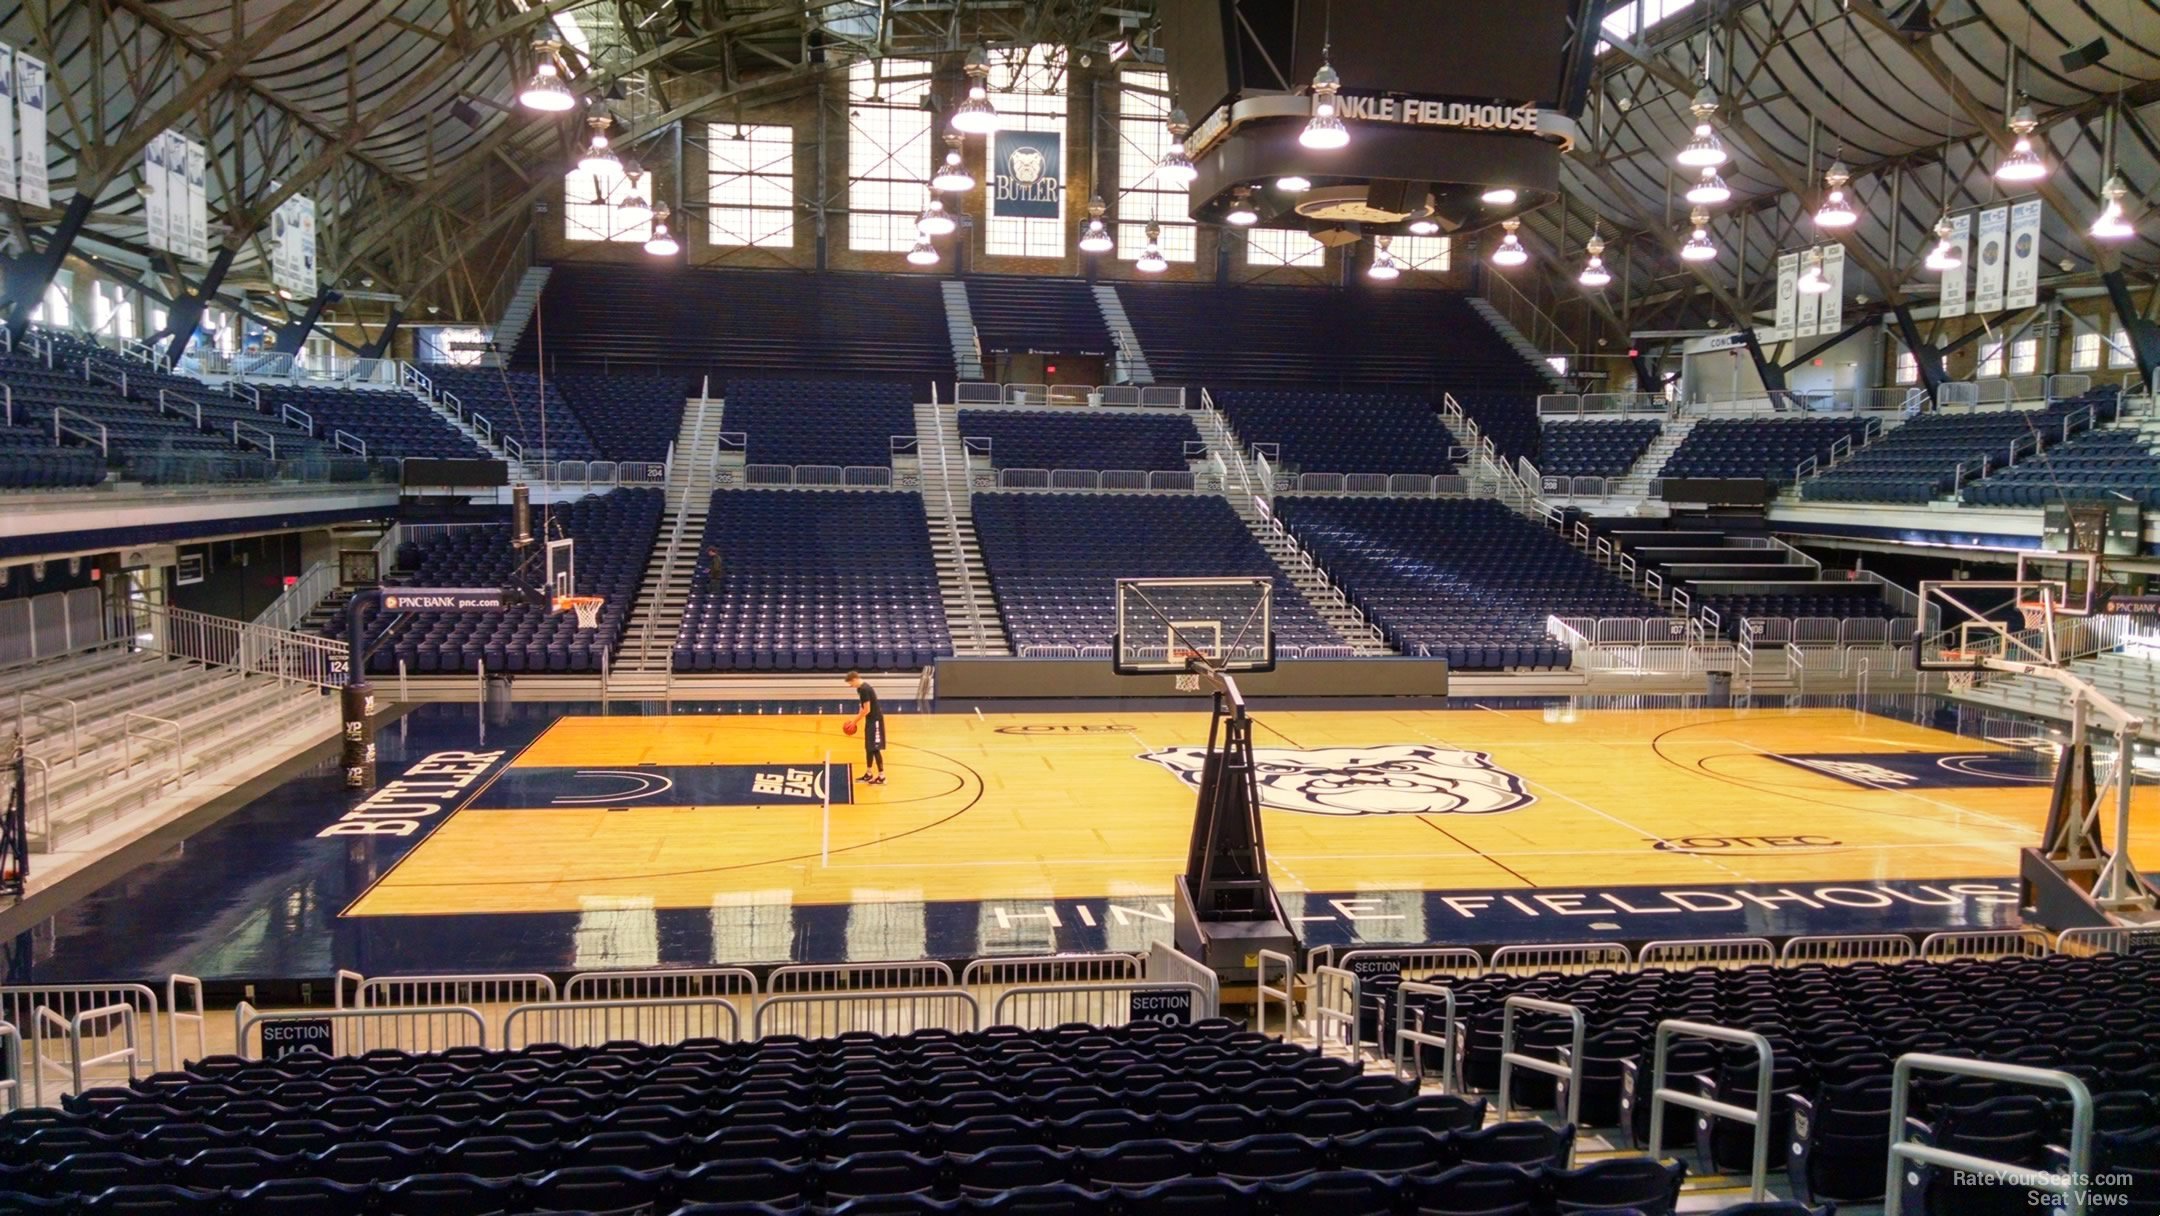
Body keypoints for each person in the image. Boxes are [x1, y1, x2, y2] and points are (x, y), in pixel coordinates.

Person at [845, 670, 886, 784]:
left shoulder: (864, 689)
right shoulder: (860, 689)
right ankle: (868, 774)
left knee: (875, 748)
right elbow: (862, 707)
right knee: (868, 748)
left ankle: (882, 777)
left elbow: (867, 710)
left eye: (850, 684)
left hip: (876, 720)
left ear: (854, 679)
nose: (851, 686)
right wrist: (856, 718)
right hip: (870, 720)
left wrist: (854, 722)